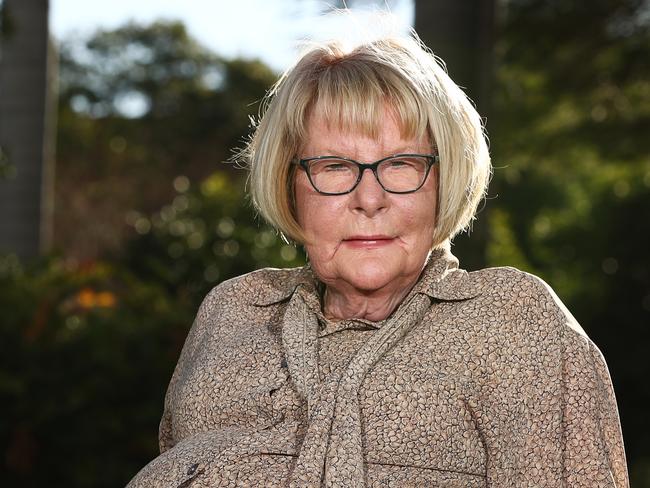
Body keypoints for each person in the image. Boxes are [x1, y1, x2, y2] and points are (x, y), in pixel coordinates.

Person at [127, 34, 629, 487]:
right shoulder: (233, 308)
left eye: (402, 164)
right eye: (334, 166)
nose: (370, 199)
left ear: (444, 180)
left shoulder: (515, 320)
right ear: (290, 184)